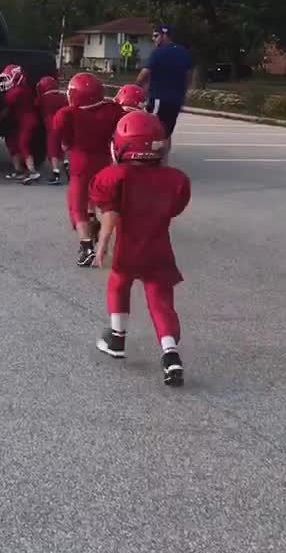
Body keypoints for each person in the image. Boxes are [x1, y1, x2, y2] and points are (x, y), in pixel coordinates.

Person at [91, 112, 191, 386]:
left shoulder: (116, 175)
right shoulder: (175, 180)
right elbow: (175, 208)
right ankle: (170, 353)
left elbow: (110, 210)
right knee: (160, 302)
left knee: (118, 283)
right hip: (159, 248)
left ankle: (117, 338)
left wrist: (103, 239)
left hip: (129, 246)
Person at [55, 72, 124, 267]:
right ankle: (96, 226)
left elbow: (64, 139)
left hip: (81, 162)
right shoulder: (111, 109)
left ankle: (87, 248)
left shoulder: (69, 114)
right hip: (103, 160)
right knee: (101, 199)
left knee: (77, 206)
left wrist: (66, 144)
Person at [135, 24, 192, 138]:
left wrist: (135, 88)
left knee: (153, 132)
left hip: (159, 99)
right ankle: (165, 155)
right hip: (176, 101)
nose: (153, 39)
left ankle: (155, 155)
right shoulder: (183, 52)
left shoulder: (158, 53)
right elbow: (188, 76)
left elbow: (143, 76)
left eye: (156, 36)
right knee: (167, 133)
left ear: (164, 35)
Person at [0, 65, 41, 184]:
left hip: (26, 121)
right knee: (12, 143)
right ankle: (19, 171)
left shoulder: (16, 92)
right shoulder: (24, 89)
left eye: (7, 78)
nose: (5, 82)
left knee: (23, 144)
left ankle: (32, 171)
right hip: (20, 121)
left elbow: (7, 107)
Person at [36, 76, 68, 185]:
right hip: (63, 125)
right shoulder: (63, 97)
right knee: (62, 147)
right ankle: (66, 164)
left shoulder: (43, 98)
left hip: (51, 127)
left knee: (52, 151)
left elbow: (36, 106)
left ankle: (56, 173)